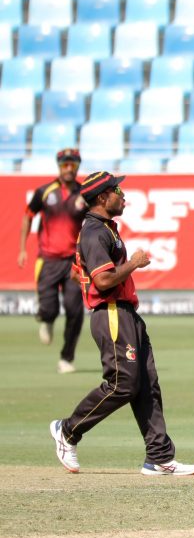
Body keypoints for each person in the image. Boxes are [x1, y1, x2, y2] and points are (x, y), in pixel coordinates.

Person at [49, 171, 194, 476]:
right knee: (123, 384)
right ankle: (67, 430)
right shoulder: (95, 232)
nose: (123, 195)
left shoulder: (105, 229)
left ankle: (159, 456)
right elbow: (103, 280)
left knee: (147, 385)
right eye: (117, 190)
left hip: (125, 313)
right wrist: (133, 264)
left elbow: (80, 272)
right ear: (103, 197)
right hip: (112, 313)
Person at [17, 148, 87, 373]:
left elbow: (95, 222)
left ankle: (66, 358)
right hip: (48, 260)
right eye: (65, 164)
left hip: (74, 262)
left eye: (73, 164)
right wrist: (22, 249)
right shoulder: (44, 192)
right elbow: (27, 217)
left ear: (77, 166)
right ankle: (47, 320)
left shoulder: (84, 194)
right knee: (48, 309)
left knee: (75, 310)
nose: (69, 168)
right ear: (59, 166)